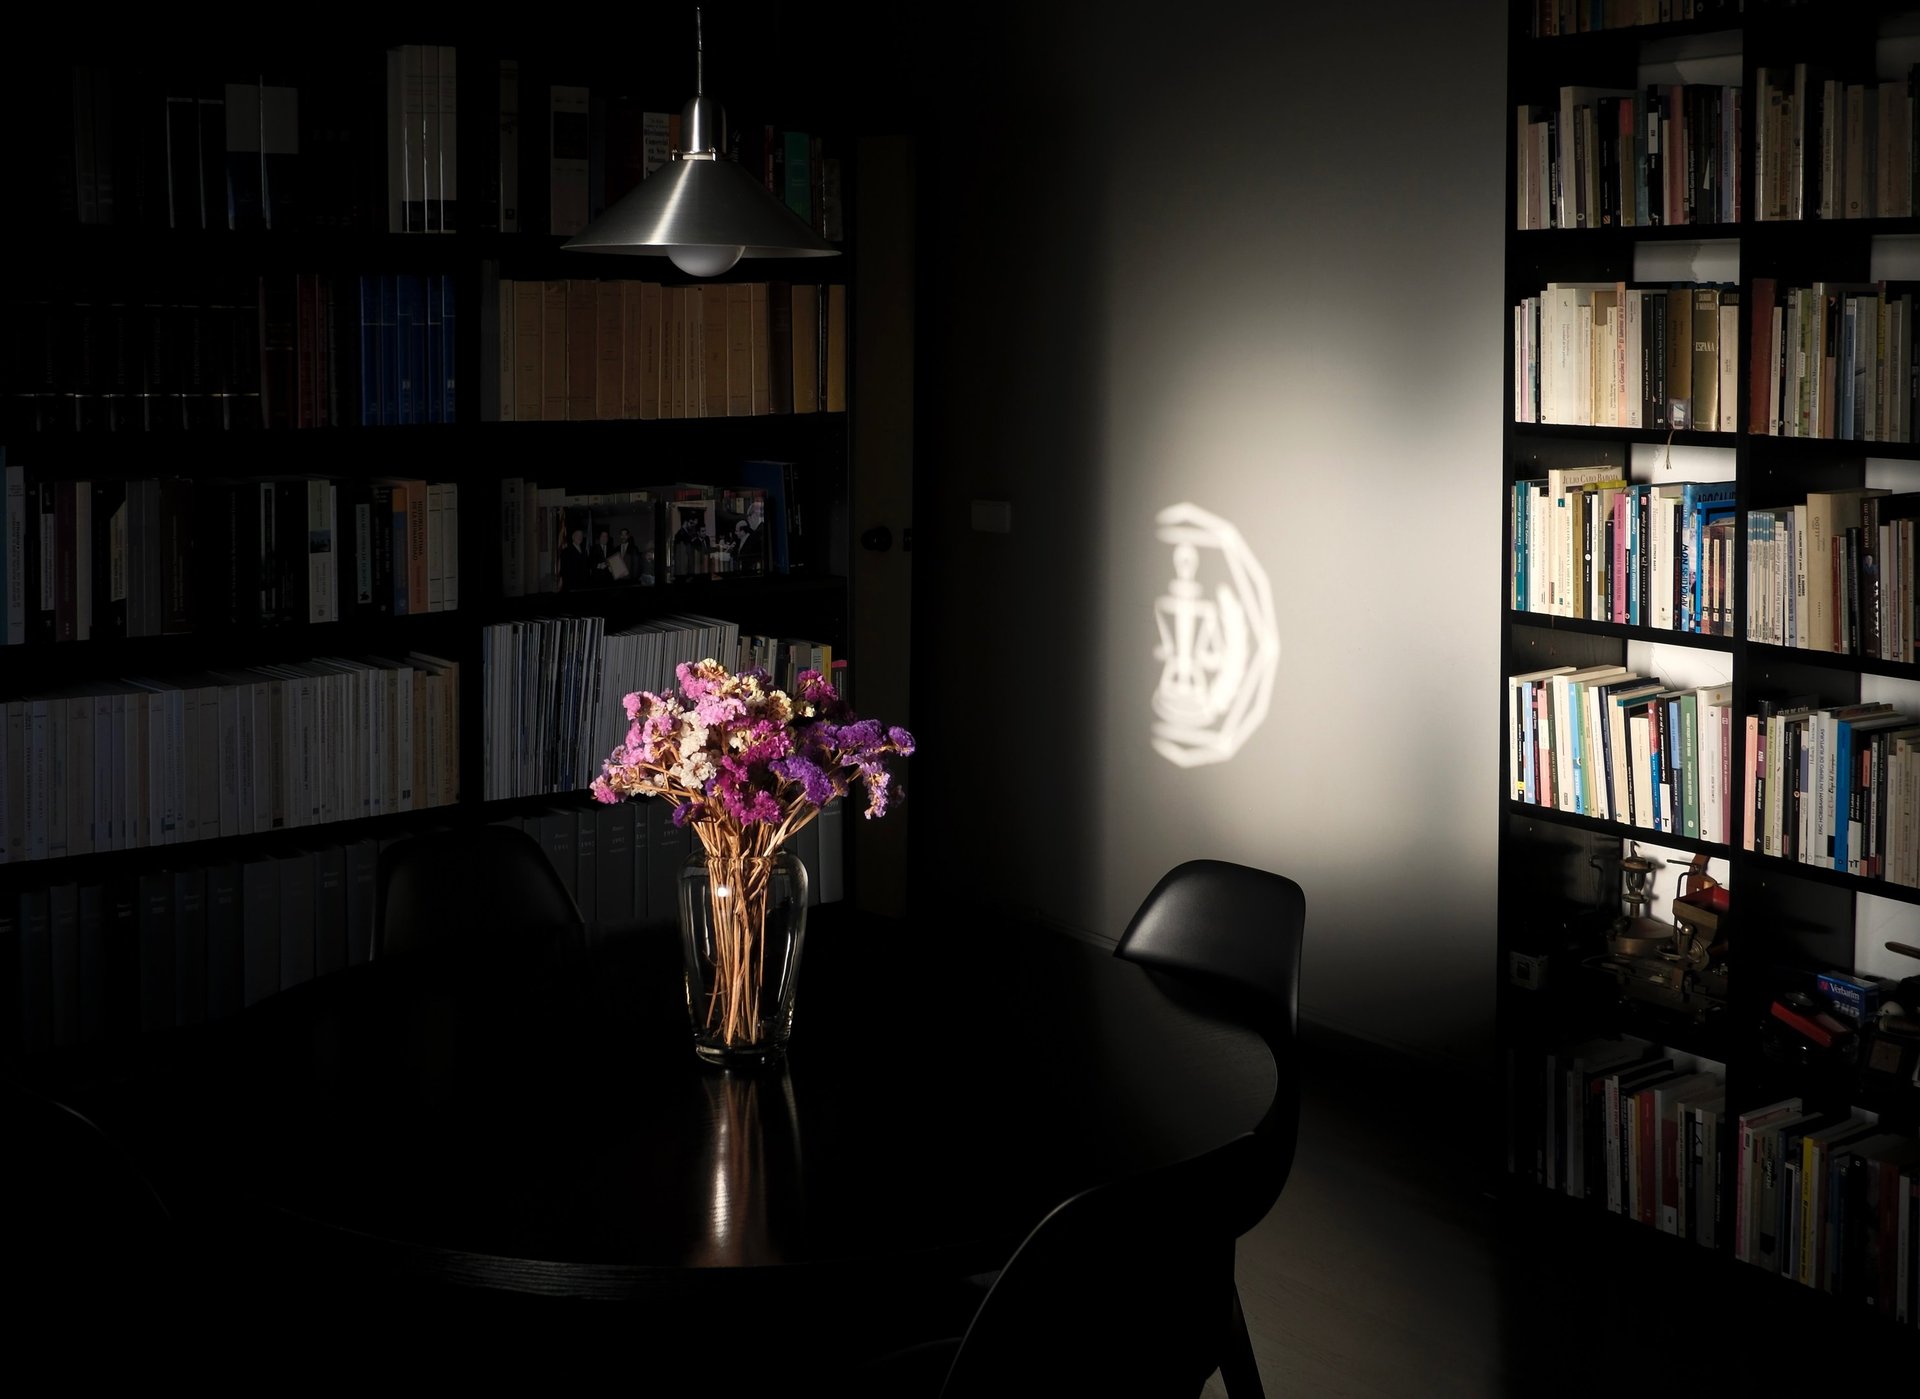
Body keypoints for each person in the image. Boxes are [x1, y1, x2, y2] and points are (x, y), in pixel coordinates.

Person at [559, 527, 593, 591]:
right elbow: (564, 569)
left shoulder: (584, 550)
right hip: (572, 585)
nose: (580, 537)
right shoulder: (566, 551)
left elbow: (587, 565)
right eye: (578, 535)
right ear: (573, 537)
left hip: (584, 584)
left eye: (581, 535)